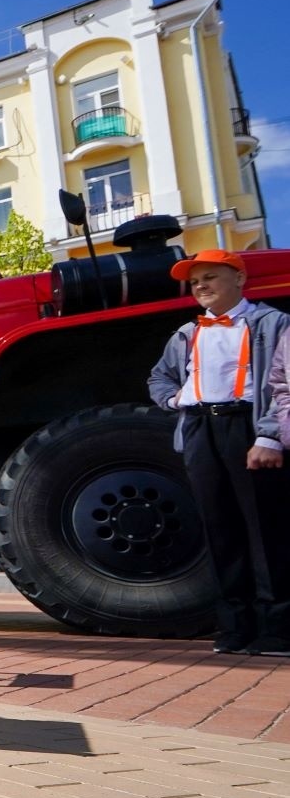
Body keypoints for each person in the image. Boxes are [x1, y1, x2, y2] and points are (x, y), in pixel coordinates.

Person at [147, 248, 289, 655]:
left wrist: (269, 437)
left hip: (249, 428)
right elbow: (159, 378)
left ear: (240, 279)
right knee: (219, 528)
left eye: (210, 276)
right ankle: (233, 627)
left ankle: (278, 629)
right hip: (200, 428)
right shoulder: (186, 334)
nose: (201, 286)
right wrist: (176, 401)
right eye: (195, 281)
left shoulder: (274, 324)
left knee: (266, 530)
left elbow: (283, 384)